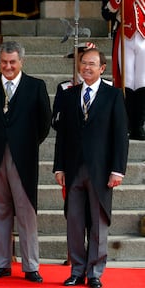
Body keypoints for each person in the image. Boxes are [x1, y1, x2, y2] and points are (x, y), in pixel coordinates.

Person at [0, 41, 51, 283]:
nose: (8, 66)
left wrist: (25, 143)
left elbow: (44, 123)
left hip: (24, 157)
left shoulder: (35, 86)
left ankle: (31, 266)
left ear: (21, 62)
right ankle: (2, 264)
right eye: (4, 62)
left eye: (13, 62)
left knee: (26, 213)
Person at [53, 48, 129, 288]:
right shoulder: (68, 95)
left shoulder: (113, 95)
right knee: (74, 222)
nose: (86, 67)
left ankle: (95, 272)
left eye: (92, 64)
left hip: (101, 171)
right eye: (83, 63)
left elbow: (120, 136)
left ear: (102, 68)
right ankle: (76, 271)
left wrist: (118, 170)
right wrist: (59, 167)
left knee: (98, 223)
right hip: (74, 169)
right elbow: (62, 135)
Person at [102, 0, 145, 140]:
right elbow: (106, 14)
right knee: (127, 81)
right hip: (124, 37)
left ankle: (138, 126)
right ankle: (126, 124)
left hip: (143, 38)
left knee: (142, 81)